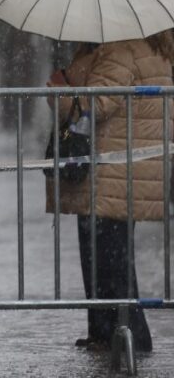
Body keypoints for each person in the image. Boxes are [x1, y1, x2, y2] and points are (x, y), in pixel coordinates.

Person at [45, 31, 174, 354]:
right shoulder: (146, 45)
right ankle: (105, 331)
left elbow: (97, 104)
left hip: (110, 169)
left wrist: (61, 92)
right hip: (123, 168)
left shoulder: (121, 47)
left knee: (108, 258)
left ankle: (130, 336)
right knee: (106, 254)